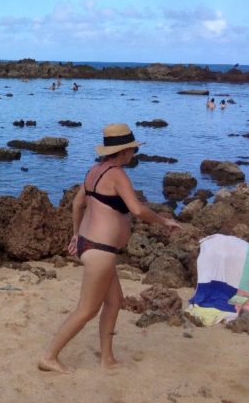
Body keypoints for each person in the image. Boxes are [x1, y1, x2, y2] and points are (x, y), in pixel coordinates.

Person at [38, 123, 181, 374]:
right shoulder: (117, 174)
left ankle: (107, 358)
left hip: (89, 244)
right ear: (125, 151)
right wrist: (163, 221)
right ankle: (49, 357)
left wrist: (75, 235)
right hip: (101, 249)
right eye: (133, 150)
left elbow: (77, 203)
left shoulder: (95, 170)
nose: (134, 155)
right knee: (87, 309)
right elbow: (136, 209)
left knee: (115, 301)